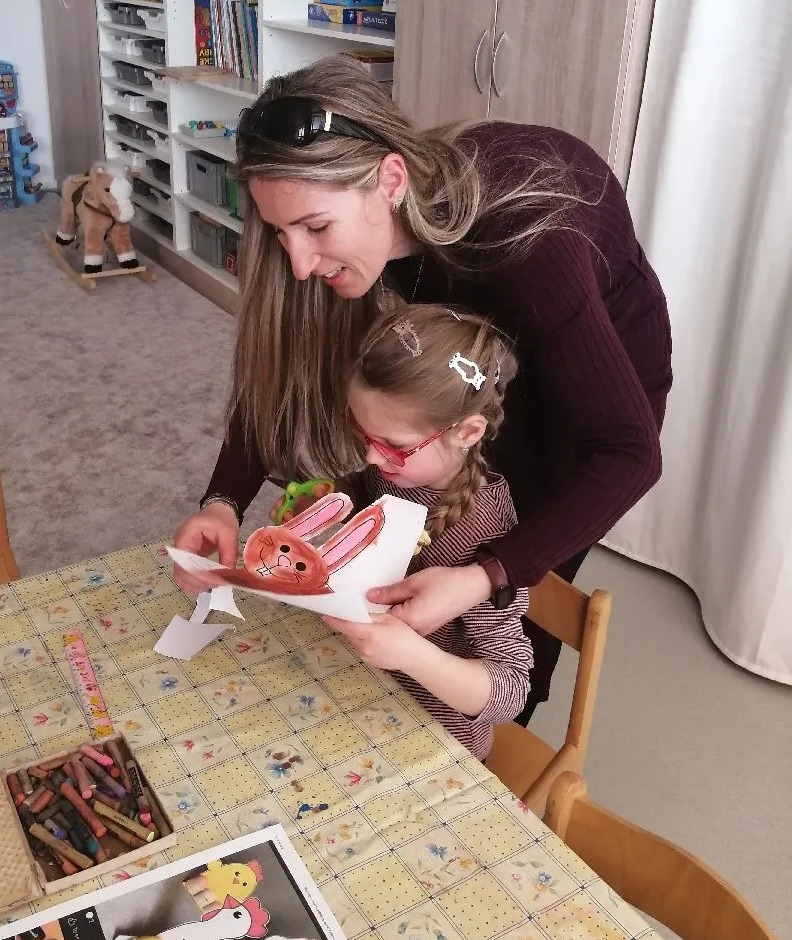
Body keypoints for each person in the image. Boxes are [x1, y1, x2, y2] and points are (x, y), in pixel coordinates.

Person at [172, 55, 672, 724]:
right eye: (279, 231)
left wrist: (486, 576)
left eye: (316, 227)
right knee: (425, 515)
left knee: (508, 579)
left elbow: (628, 455)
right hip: (471, 334)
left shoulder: (530, 246)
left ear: (390, 180)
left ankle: (493, 745)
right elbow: (284, 369)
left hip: (590, 378)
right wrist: (224, 499)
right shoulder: (371, 234)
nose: (299, 261)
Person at [323, 304, 533, 760]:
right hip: (360, 692)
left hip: (436, 739)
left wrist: (413, 654)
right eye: (364, 435)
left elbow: (512, 690)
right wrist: (328, 507)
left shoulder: (489, 534)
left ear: (468, 432)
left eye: (393, 445)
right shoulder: (395, 473)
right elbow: (360, 505)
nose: (372, 458)